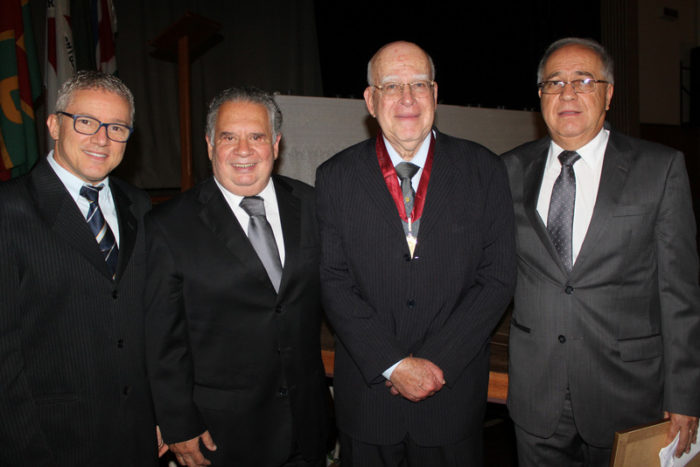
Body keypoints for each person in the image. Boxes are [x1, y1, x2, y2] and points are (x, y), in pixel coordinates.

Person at [315, 41, 516, 466]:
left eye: (418, 84)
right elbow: (333, 281)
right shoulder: (335, 177)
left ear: (436, 95)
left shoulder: (484, 170)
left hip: (452, 398)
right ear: (371, 100)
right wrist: (392, 364)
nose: (407, 98)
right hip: (370, 401)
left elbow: (497, 277)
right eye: (391, 86)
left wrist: (436, 362)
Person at [503, 37, 700, 466]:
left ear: (608, 93)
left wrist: (685, 394)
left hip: (629, 395)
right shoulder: (508, 171)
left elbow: (680, 293)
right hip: (537, 396)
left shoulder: (660, 168)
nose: (567, 92)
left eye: (584, 80)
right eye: (554, 82)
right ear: (540, 96)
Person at [145, 86, 330, 467]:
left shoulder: (313, 206)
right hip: (222, 436)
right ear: (210, 144)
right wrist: (178, 423)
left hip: (308, 424)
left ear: (276, 144)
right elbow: (162, 340)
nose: (243, 150)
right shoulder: (168, 225)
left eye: (257, 137)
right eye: (229, 137)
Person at [0, 71, 162, 466]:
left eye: (117, 127)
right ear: (55, 124)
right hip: (50, 443)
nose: (102, 138)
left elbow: (149, 320)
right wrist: (25, 449)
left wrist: (162, 414)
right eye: (87, 121)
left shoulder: (138, 205)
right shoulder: (8, 210)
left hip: (138, 438)